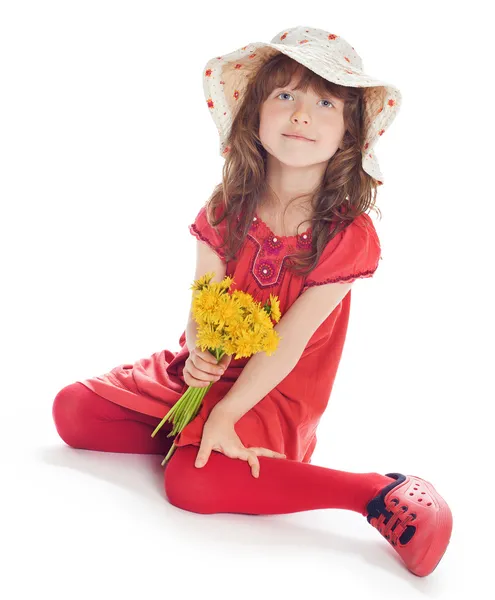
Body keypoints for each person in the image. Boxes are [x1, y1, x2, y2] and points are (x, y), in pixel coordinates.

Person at [52, 26, 452, 577]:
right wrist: (197, 351)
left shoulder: (346, 234)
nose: (301, 115)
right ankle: (193, 429)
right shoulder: (227, 207)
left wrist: (232, 412)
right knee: (74, 411)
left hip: (272, 389)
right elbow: (203, 305)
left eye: (324, 102)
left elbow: (289, 345)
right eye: (284, 95)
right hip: (206, 375)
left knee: (190, 485)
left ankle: (375, 494)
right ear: (254, 115)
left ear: (350, 135)